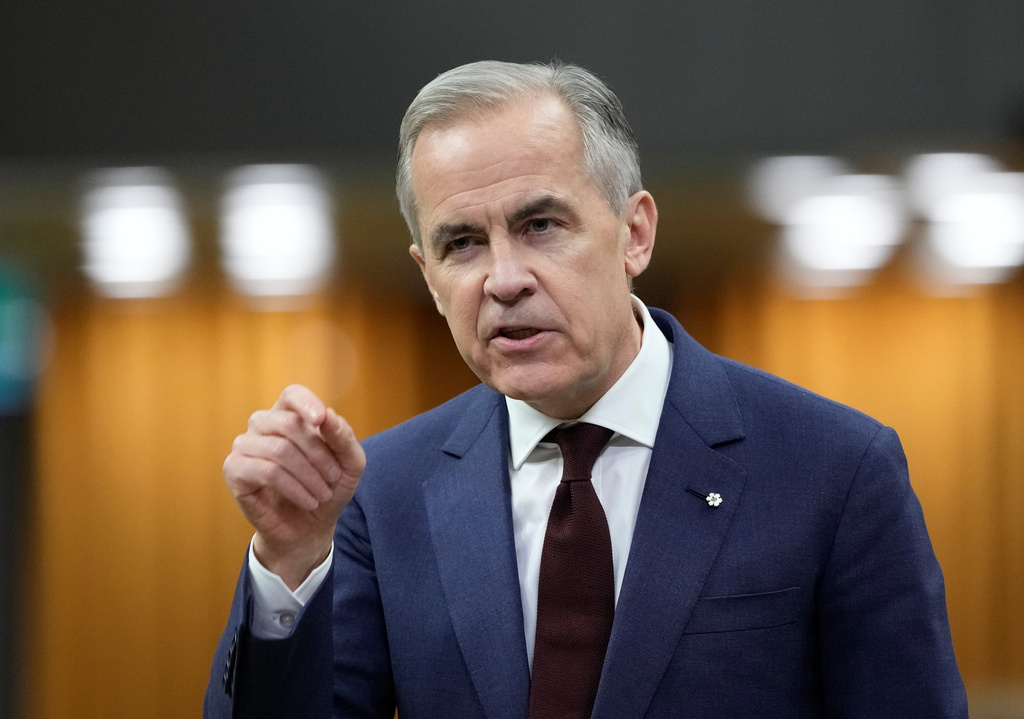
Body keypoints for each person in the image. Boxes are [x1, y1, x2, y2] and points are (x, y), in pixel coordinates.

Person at [205, 60, 968, 718]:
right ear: (429, 278)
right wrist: (293, 560)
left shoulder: (832, 469)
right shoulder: (383, 496)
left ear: (634, 233)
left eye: (540, 224)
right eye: (462, 243)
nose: (504, 280)